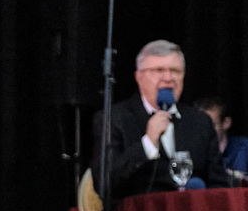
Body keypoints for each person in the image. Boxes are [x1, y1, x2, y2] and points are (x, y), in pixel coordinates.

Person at [92, 39, 231, 201]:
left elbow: (219, 183)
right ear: (139, 77)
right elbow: (104, 183)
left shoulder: (200, 122)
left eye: (175, 71)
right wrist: (148, 144)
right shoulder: (114, 118)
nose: (168, 77)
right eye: (158, 70)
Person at [193, 95, 248, 187]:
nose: (204, 131)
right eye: (199, 126)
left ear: (226, 123)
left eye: (210, 125)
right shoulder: (191, 152)